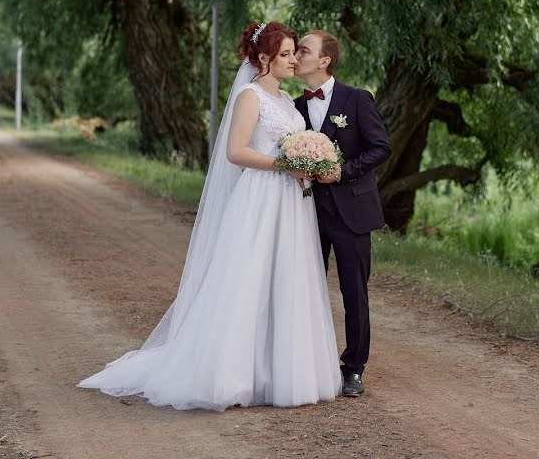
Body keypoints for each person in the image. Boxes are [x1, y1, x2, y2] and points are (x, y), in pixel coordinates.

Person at [78, 22, 341, 410]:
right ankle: (233, 375)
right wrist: (285, 163)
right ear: (264, 58)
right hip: (261, 198)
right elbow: (235, 152)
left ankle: (281, 371)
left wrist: (313, 161)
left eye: (293, 53)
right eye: (284, 54)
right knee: (248, 282)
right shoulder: (251, 97)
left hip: (291, 203)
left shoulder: (287, 101)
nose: (292, 61)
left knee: (286, 279)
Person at [294, 30, 392, 397]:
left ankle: (354, 368)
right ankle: (308, 363)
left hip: (352, 211)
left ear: (324, 61)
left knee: (354, 292)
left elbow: (381, 147)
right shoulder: (293, 107)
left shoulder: (357, 99)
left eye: (304, 50)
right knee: (304, 290)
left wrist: (343, 170)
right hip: (305, 215)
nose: (296, 55)